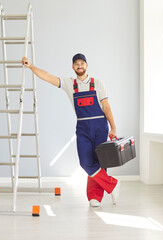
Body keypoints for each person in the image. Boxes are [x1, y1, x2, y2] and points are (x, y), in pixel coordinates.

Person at [22, 53, 120, 207]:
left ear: (87, 65)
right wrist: (31, 66)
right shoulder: (69, 84)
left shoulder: (98, 83)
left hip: (100, 126)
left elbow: (106, 106)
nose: (79, 66)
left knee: (99, 162)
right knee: (85, 162)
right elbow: (48, 77)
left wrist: (113, 127)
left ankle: (95, 196)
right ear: (73, 67)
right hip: (82, 128)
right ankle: (112, 185)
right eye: (76, 63)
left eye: (82, 63)